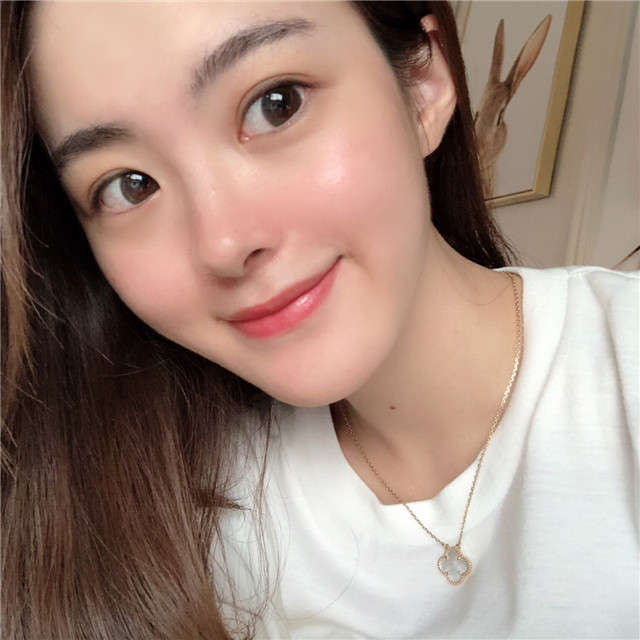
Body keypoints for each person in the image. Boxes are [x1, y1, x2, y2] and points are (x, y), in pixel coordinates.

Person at [1, 2, 637, 638]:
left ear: (423, 82)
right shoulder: (161, 507)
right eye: (129, 185)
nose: (223, 243)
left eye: (275, 105)